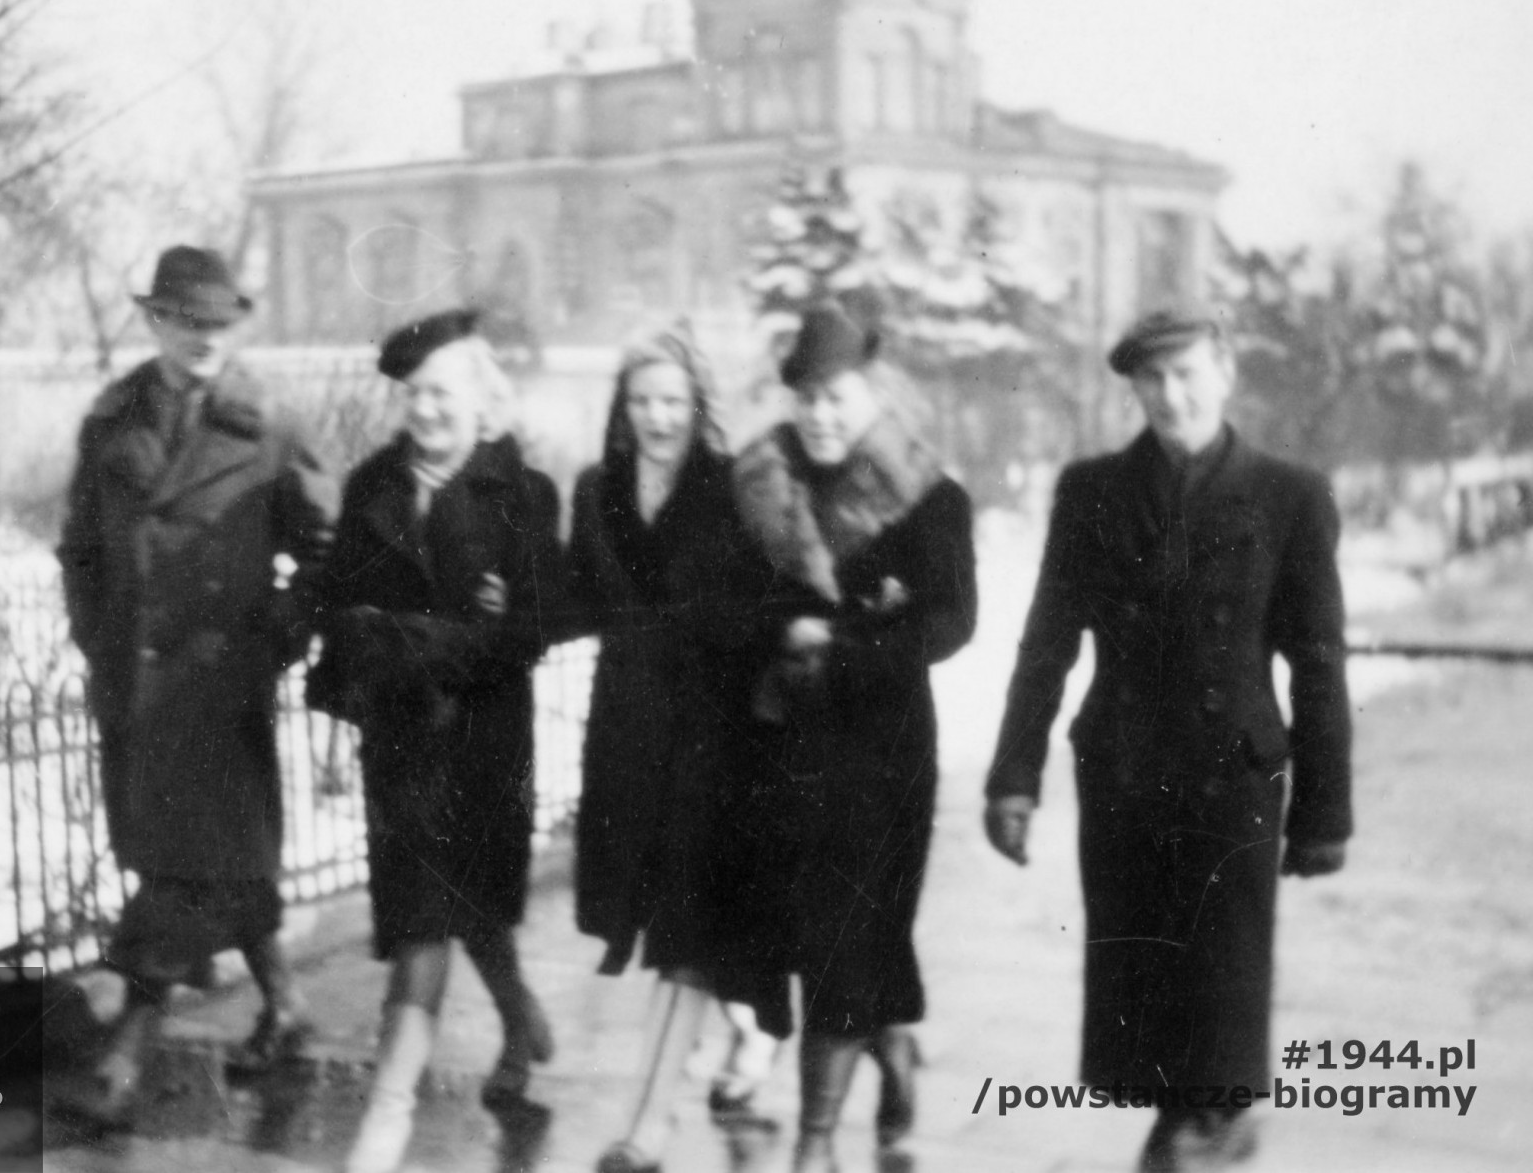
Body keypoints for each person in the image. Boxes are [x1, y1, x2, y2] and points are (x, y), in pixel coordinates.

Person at [983, 309, 1352, 1171]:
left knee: (1220, 990)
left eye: (1186, 374)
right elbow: (1047, 644)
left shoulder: (1290, 495)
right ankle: (1192, 1124)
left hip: (1233, 776)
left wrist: (1325, 814)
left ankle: (1207, 1126)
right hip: (1125, 772)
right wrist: (1014, 775)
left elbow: (1319, 665)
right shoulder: (1091, 491)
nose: (1169, 394)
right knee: (1145, 994)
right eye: (1151, 379)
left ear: (1226, 372)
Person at [57, 245, 335, 1111]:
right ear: (155, 321)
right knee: (219, 858)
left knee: (176, 876)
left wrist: (271, 644)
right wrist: (100, 641)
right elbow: (81, 548)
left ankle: (125, 1057)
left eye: (220, 321)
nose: (205, 336)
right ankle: (285, 1005)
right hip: (138, 684)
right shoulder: (113, 419)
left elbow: (328, 552)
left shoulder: (268, 423)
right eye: (186, 320)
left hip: (221, 688)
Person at [306, 309, 564, 1173]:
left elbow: (527, 630)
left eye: (443, 392)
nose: (427, 409)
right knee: (423, 921)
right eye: (414, 393)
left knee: (474, 910)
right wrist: (370, 638)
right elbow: (343, 604)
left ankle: (488, 1045)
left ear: (482, 398)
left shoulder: (525, 496)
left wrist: (416, 640)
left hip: (485, 743)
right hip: (402, 744)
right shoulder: (372, 486)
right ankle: (416, 1095)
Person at [733, 305, 977, 1172]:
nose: (821, 414)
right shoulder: (760, 485)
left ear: (869, 392)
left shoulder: (927, 494)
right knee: (822, 940)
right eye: (806, 397)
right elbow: (731, 608)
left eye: (836, 396)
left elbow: (952, 623)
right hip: (780, 751)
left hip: (881, 758)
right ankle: (893, 1047)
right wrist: (777, 636)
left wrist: (842, 649)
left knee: (843, 939)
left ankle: (814, 1141)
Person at [564, 320, 795, 1173]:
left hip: (714, 740)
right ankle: (755, 1031)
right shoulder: (596, 488)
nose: (658, 417)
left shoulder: (734, 489)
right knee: (674, 923)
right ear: (622, 408)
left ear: (699, 406)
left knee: (687, 933)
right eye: (642, 401)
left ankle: (647, 1127)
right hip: (628, 736)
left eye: (673, 401)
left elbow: (775, 599)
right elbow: (576, 597)